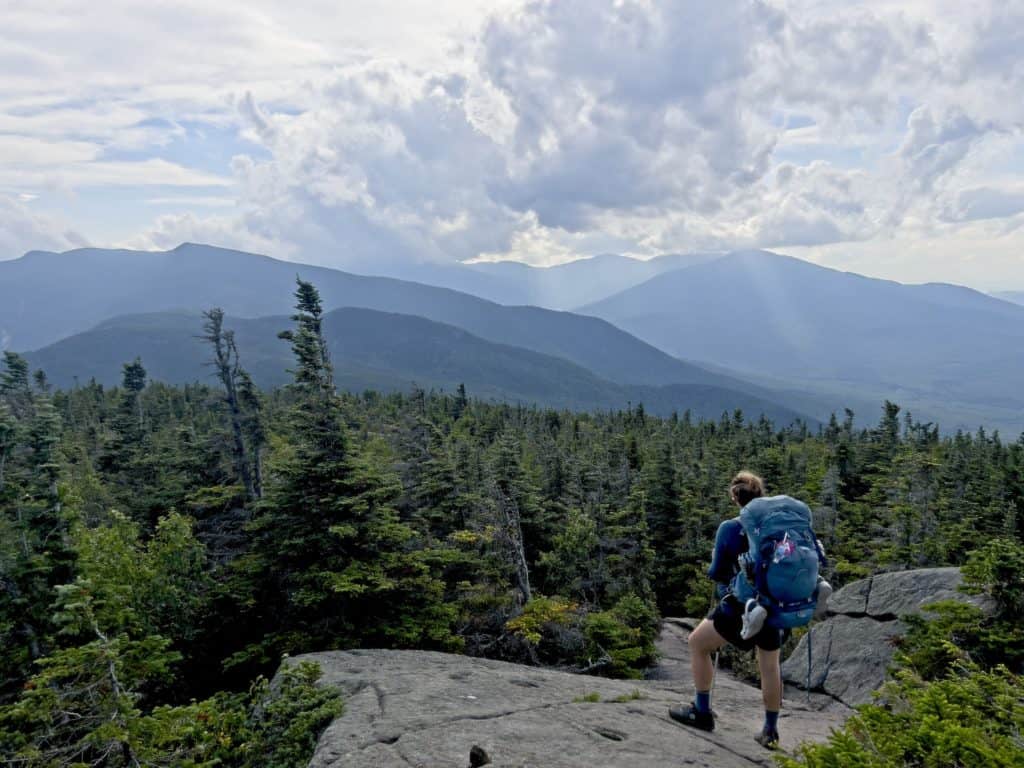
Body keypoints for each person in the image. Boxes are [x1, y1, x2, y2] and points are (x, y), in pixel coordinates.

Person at [668, 471, 785, 749]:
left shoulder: (731, 528)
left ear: (734, 497)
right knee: (770, 665)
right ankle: (770, 731)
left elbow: (718, 572)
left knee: (697, 643)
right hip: (777, 607)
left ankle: (702, 711)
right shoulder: (779, 527)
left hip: (742, 607)